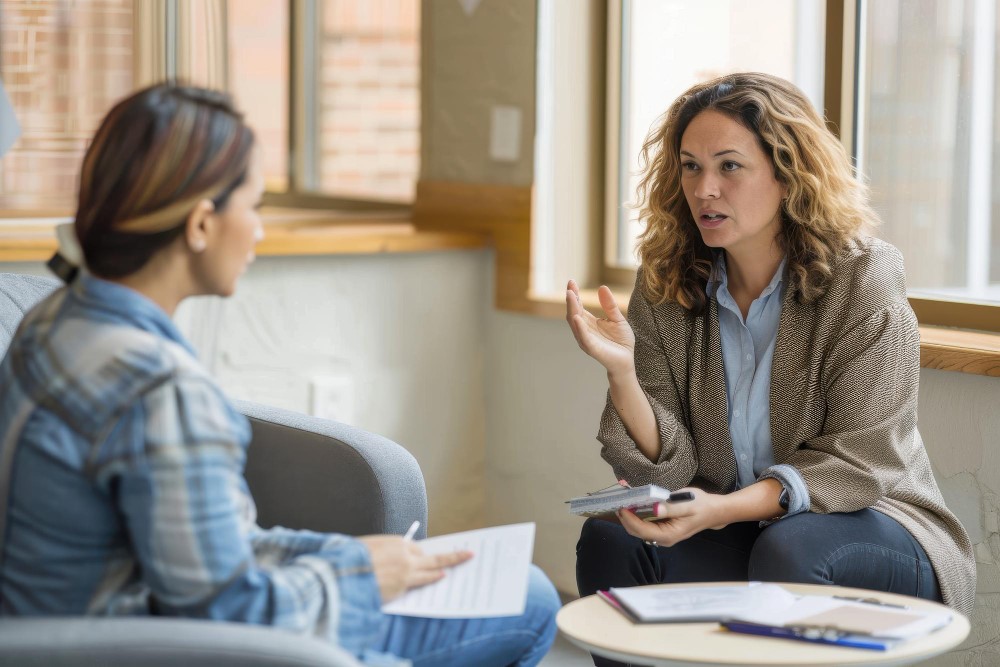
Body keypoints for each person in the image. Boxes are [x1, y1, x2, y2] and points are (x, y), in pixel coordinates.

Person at [0, 83, 559, 667]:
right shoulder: (158, 389)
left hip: (111, 621)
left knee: (525, 591)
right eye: (254, 207)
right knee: (531, 604)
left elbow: (213, 555)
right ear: (199, 226)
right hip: (161, 645)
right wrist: (362, 579)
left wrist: (349, 556)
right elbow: (235, 614)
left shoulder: (52, 321)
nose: (259, 231)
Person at [565, 72, 974, 666]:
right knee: (612, 538)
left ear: (788, 173)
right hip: (740, 527)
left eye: (729, 166)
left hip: (875, 521)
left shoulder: (864, 276)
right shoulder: (669, 282)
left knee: (790, 548)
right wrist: (622, 373)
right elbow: (671, 462)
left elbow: (862, 461)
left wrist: (721, 509)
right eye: (689, 166)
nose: (704, 189)